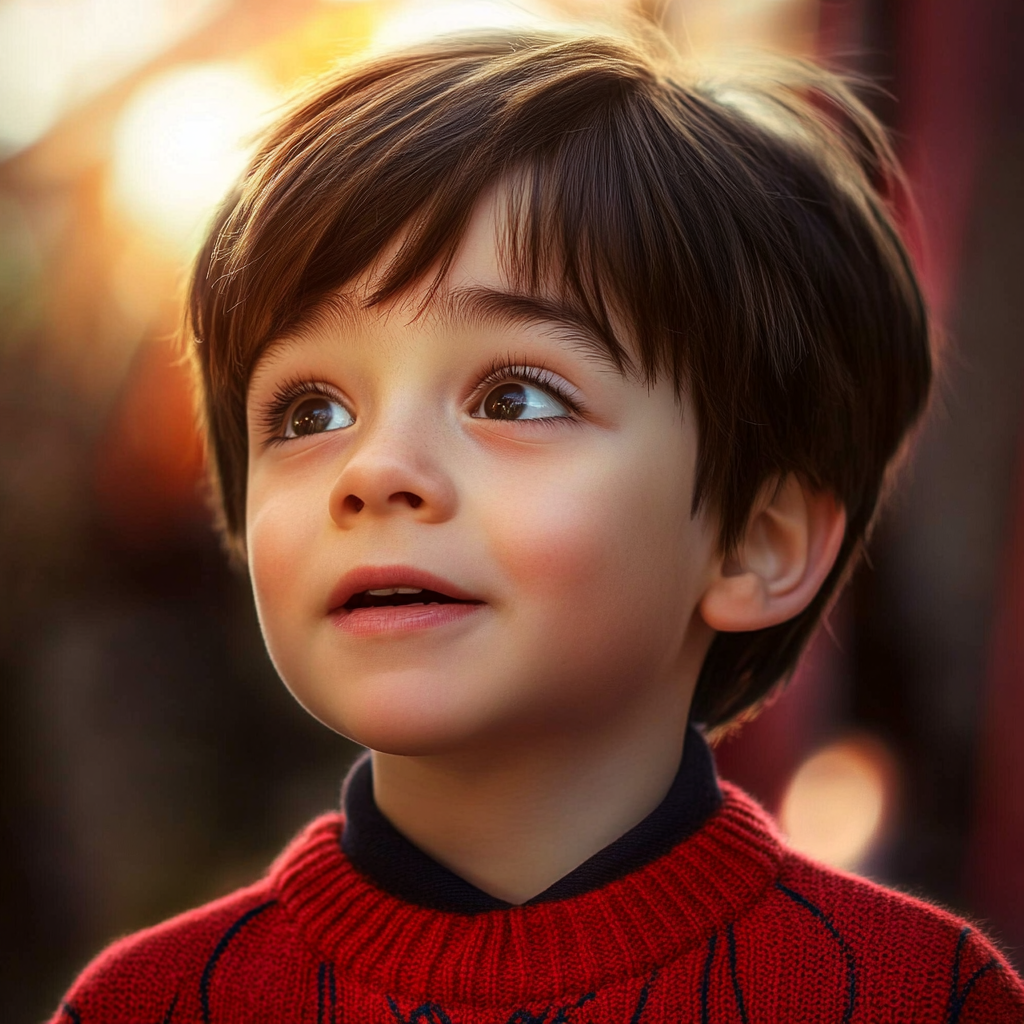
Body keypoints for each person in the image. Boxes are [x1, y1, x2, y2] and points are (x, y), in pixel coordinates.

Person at [51, 23, 1024, 1023]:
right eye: (312, 413)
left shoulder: (914, 995)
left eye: (513, 398)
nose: (374, 470)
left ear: (754, 542)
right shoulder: (150, 1003)